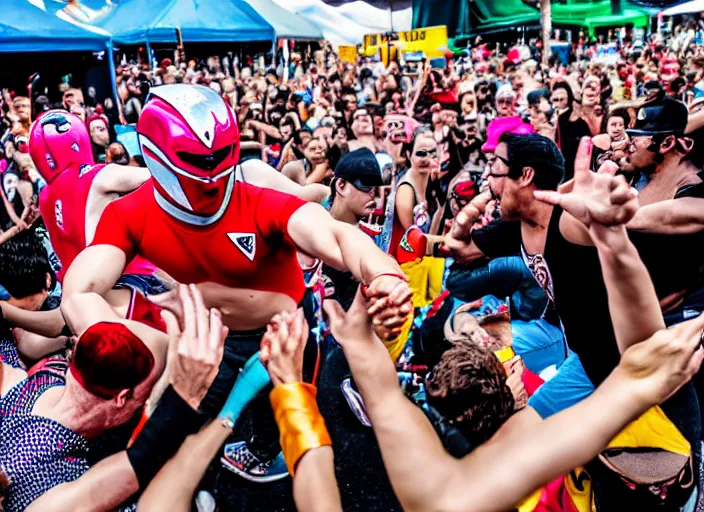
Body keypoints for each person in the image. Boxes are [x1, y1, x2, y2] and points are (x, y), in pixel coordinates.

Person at [62, 84, 412, 481]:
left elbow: (336, 235)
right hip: (208, 339)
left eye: (219, 157)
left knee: (281, 418)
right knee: (190, 429)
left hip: (286, 331)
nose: (211, 174)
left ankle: (262, 452)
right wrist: (120, 343)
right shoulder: (131, 212)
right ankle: (200, 484)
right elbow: (80, 291)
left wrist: (383, 273)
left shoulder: (259, 197)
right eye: (198, 159)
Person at [322, 167, 704, 512]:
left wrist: (366, 359)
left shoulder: (477, 483)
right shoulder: (545, 469)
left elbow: (636, 370)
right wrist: (612, 240)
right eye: (507, 367)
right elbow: (639, 365)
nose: (511, 363)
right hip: (622, 407)